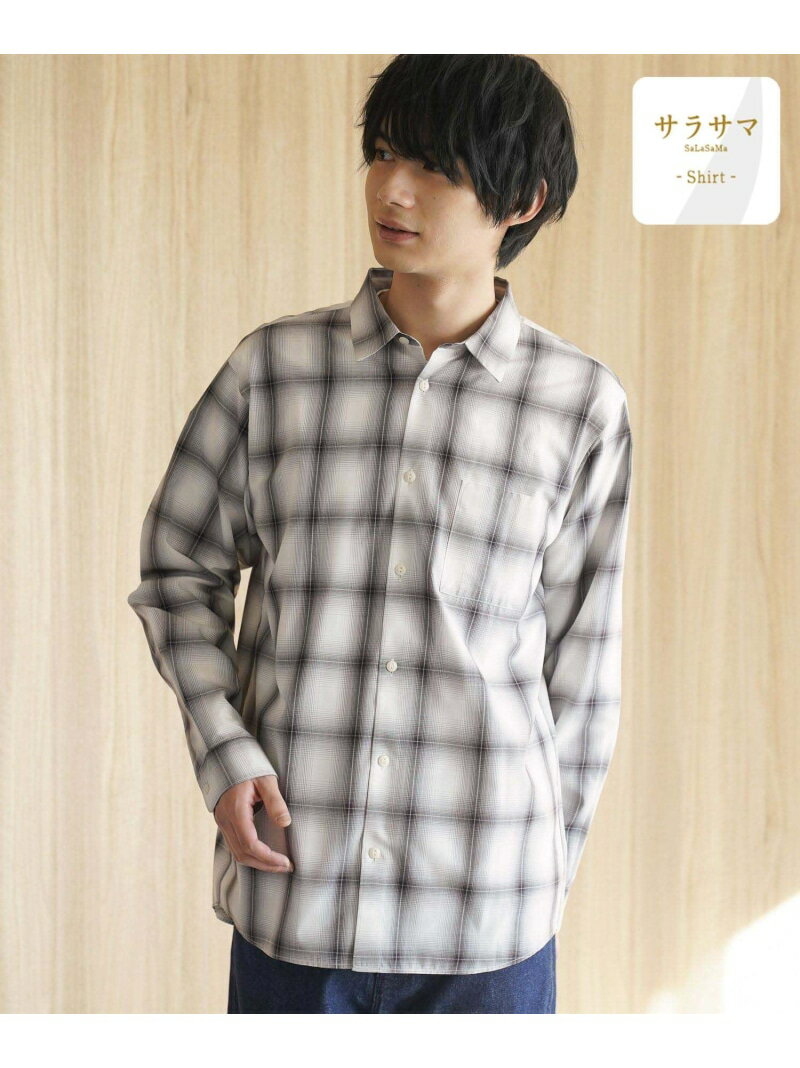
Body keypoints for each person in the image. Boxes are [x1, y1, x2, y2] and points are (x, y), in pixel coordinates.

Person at [127, 53, 633, 1014]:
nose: (392, 189)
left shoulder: (580, 407)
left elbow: (585, 668)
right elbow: (177, 570)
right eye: (384, 152)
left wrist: (540, 876)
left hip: (490, 925)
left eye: (434, 166)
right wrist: (225, 750)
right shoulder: (274, 371)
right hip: (297, 897)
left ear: (521, 201)